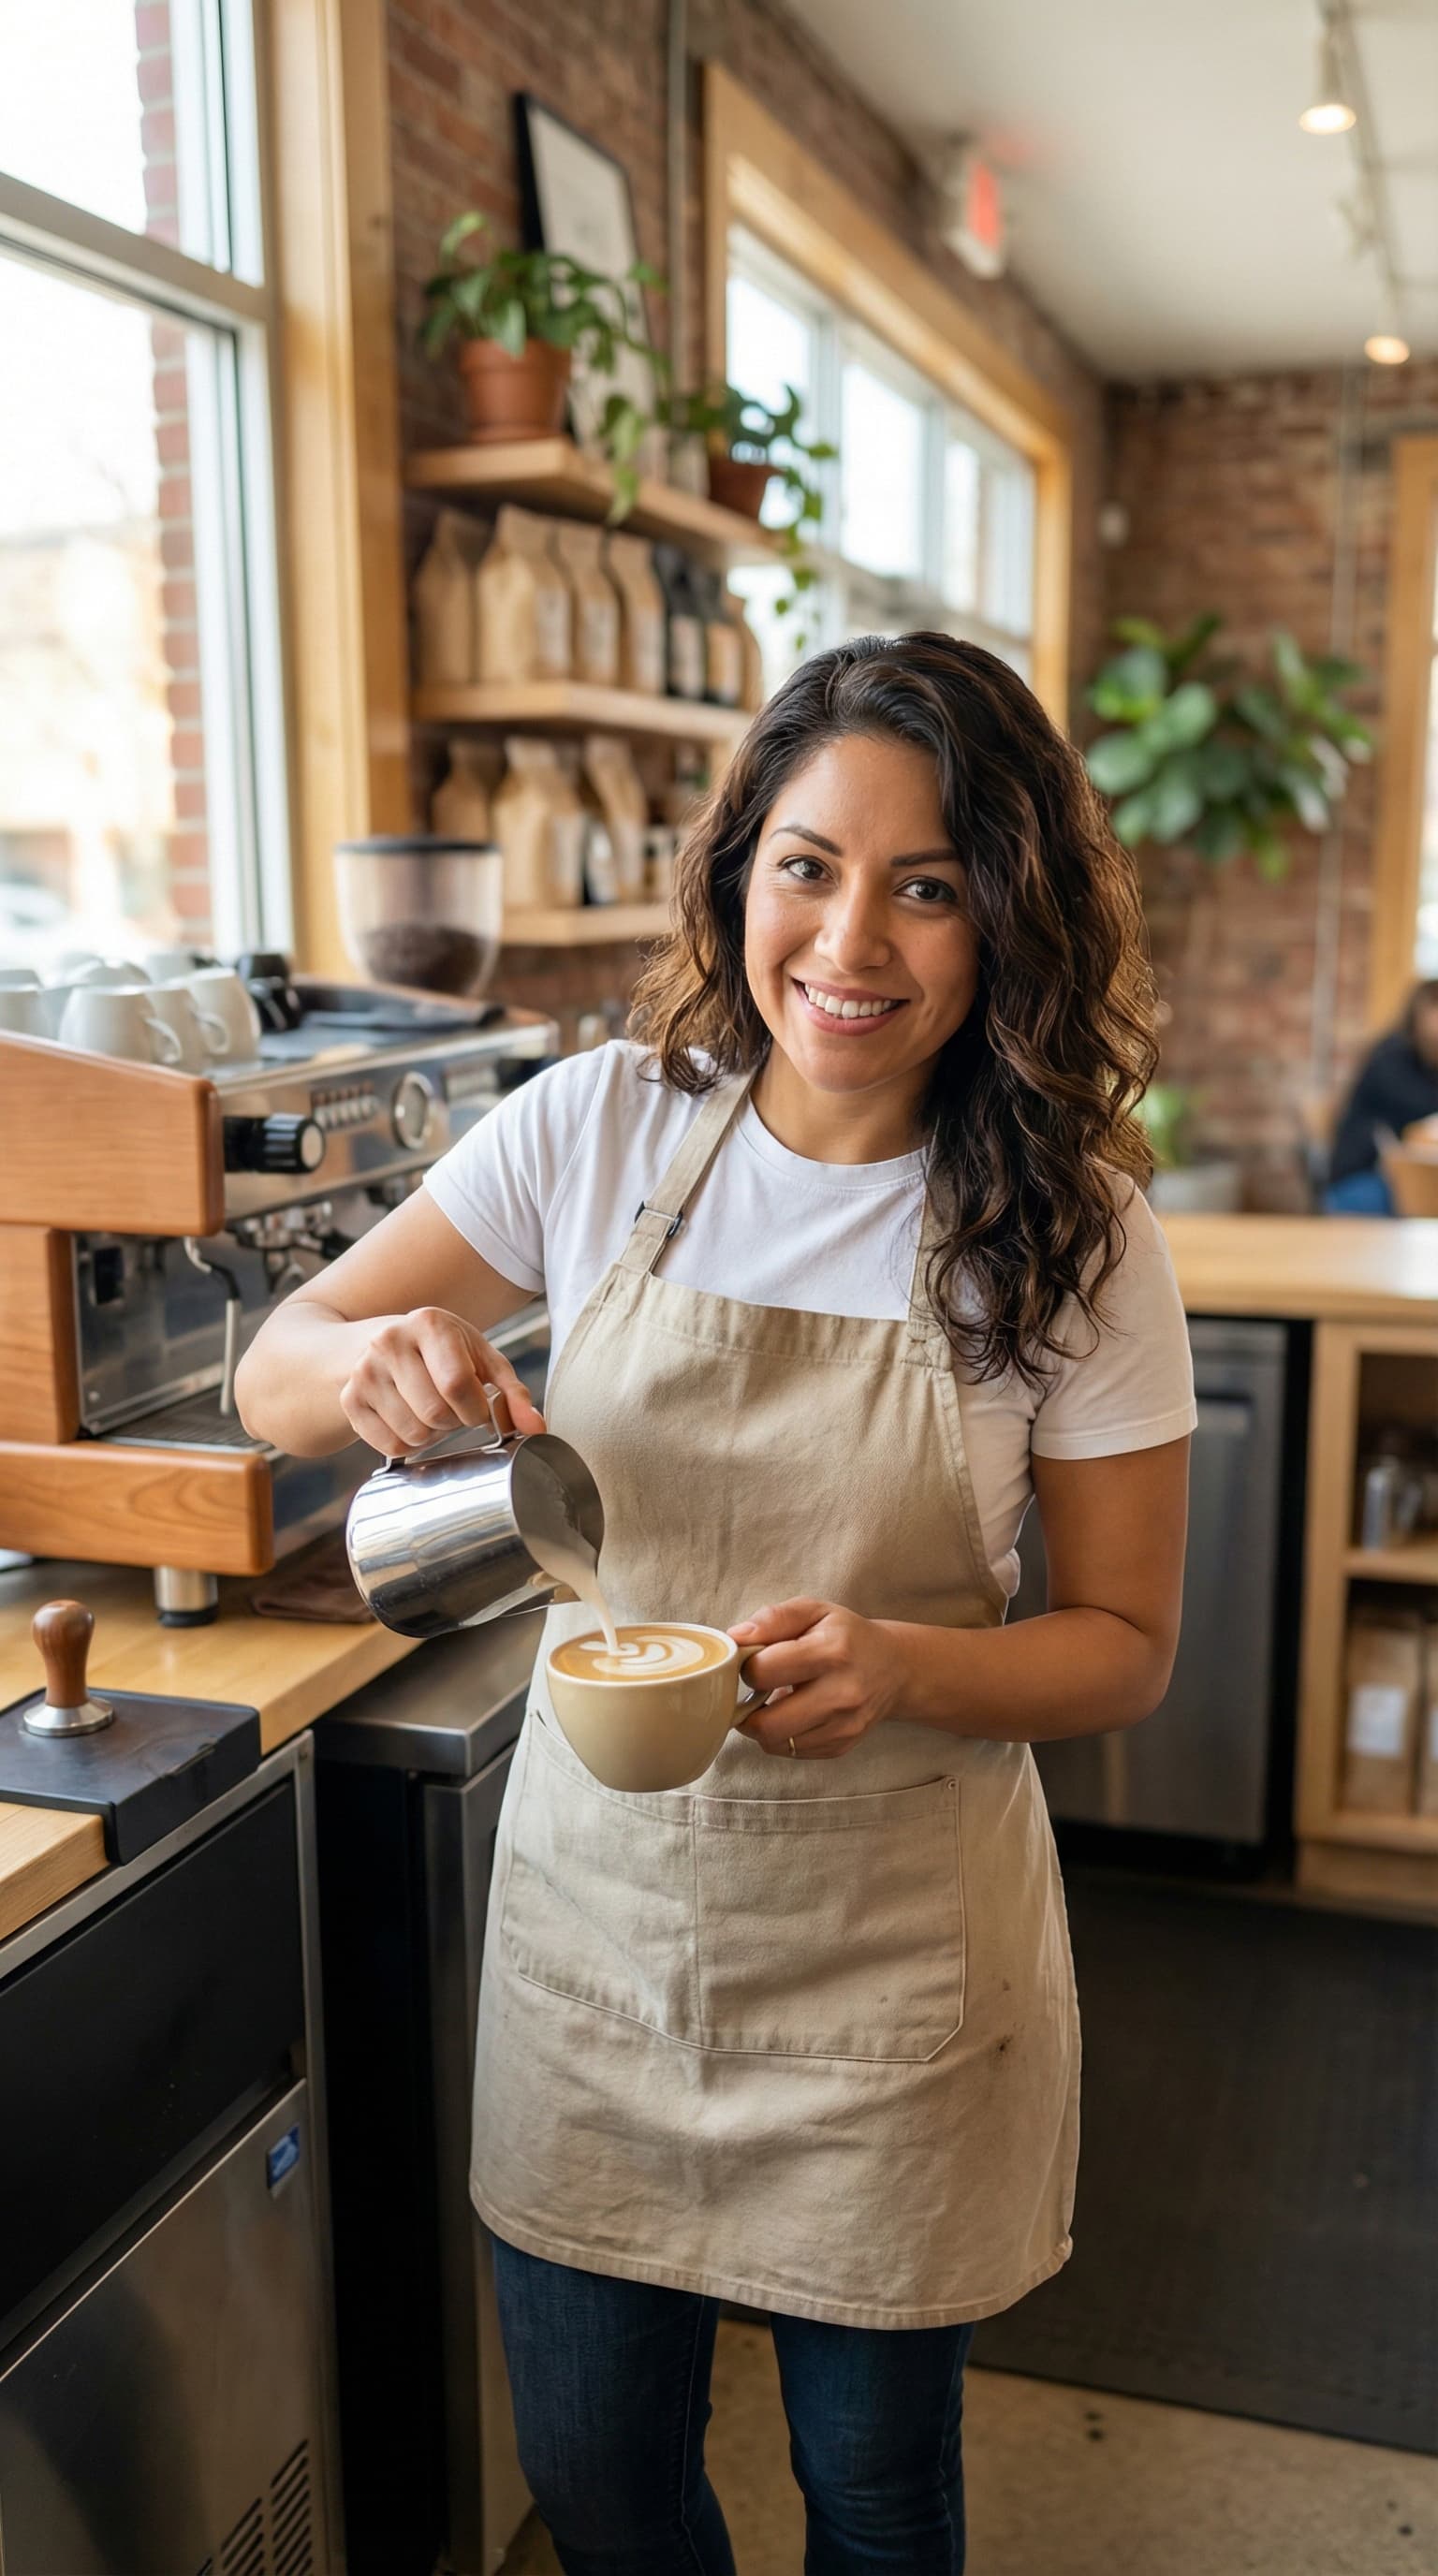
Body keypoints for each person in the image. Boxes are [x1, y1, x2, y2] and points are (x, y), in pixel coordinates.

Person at [237, 633, 1195, 2575]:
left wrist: (911, 1659)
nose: (854, 938)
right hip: (603, 1946)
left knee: (874, 2496)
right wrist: (374, 1370)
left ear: (1007, 914)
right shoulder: (601, 1125)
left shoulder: (1072, 1228)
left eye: (929, 883)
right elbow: (280, 1354)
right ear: (739, 868)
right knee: (601, 2490)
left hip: (899, 1976)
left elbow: (1124, 1643)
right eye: (809, 864)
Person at [1325, 979, 1438, 1214]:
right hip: (1364, 1174)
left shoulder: (1430, 1064)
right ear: (1418, 1015)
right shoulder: (1390, 1056)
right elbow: (1418, 1109)